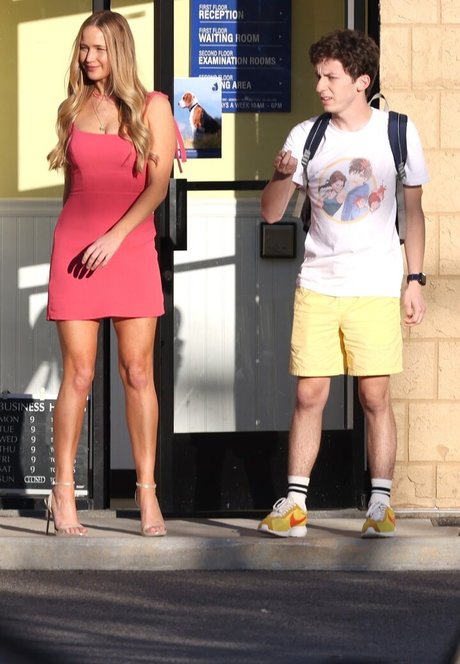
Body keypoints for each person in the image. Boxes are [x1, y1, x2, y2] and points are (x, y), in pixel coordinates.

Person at [258, 29, 428, 539]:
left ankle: (380, 505)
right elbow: (271, 214)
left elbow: (414, 212)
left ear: (361, 81)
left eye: (331, 77)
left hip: (375, 285)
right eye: (318, 76)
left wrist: (415, 279)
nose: (321, 87)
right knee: (309, 394)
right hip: (318, 284)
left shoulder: (398, 132)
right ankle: (295, 505)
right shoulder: (306, 137)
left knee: (375, 395)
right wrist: (281, 177)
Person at [46, 10, 176, 536]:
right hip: (77, 251)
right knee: (78, 375)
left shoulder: (153, 106)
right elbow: (72, 191)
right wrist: (78, 243)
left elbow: (158, 187)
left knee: (138, 372)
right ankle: (62, 491)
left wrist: (115, 237)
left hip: (130, 247)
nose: (88, 57)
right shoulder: (71, 107)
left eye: (98, 48)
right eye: (83, 47)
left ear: (119, 50)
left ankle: (146, 492)